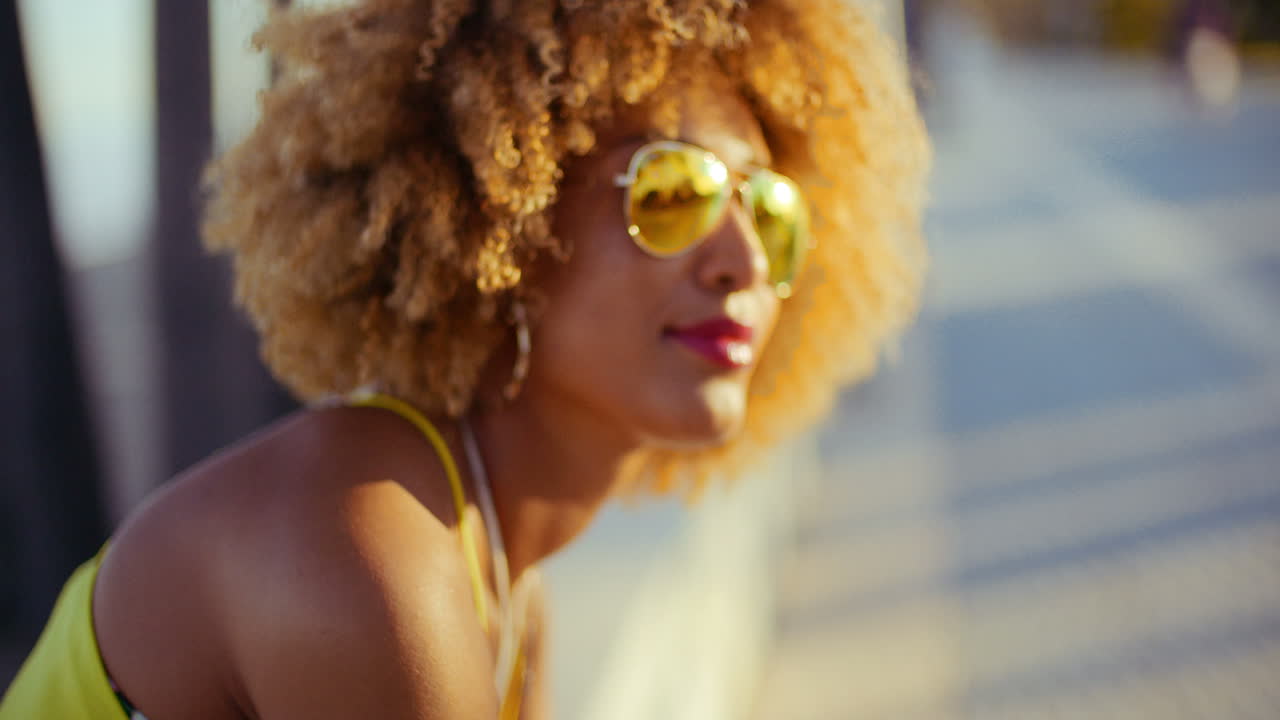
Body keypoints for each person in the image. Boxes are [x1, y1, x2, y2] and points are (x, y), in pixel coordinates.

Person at [0, 0, 928, 717]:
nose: (744, 260)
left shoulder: (506, 593)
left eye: (772, 211)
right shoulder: (366, 551)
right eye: (673, 189)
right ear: (508, 213)